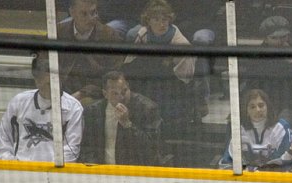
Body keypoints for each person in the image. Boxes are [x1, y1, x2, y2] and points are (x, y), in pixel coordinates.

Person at [122, 0, 197, 135]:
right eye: (156, 20)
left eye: (164, 19)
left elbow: (184, 78)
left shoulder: (181, 44)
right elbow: (130, 64)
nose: (161, 24)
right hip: (148, 83)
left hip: (173, 88)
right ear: (148, 21)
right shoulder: (142, 35)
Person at [0, 55, 84, 163]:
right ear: (37, 81)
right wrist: (13, 165)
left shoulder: (74, 108)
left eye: (56, 81)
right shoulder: (19, 102)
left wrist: (53, 169)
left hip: (55, 173)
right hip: (22, 171)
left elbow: (72, 150)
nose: (54, 86)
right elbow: (3, 141)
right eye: (48, 83)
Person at [79, 71, 162, 166]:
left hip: (134, 170)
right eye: (115, 93)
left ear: (128, 87)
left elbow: (151, 148)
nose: (121, 97)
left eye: (124, 91)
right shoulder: (93, 111)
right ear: (105, 94)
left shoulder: (147, 108)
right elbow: (87, 147)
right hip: (102, 171)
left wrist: (127, 124)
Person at [56, 0, 123, 106]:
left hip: (95, 95)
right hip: (61, 91)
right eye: (84, 14)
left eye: (93, 12)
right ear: (72, 13)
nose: (90, 18)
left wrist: (83, 93)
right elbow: (45, 64)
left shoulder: (110, 36)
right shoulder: (58, 32)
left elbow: (112, 76)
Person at [217, 88, 292, 171]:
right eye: (252, 107)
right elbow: (227, 164)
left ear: (268, 107)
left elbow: (287, 162)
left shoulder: (281, 128)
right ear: (247, 111)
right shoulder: (239, 130)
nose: (258, 110)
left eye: (261, 105)